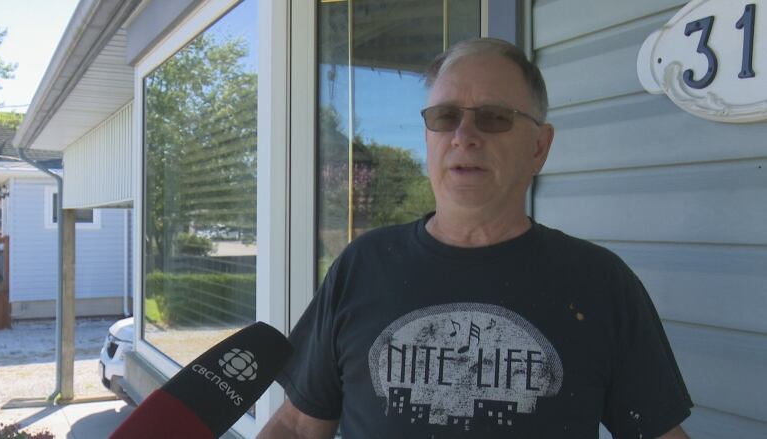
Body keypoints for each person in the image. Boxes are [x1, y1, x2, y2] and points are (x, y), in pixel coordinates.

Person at [258, 38, 693, 439]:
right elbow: (298, 426)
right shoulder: (362, 265)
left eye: (494, 118)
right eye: (445, 117)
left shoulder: (600, 282)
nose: (464, 137)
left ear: (540, 147)